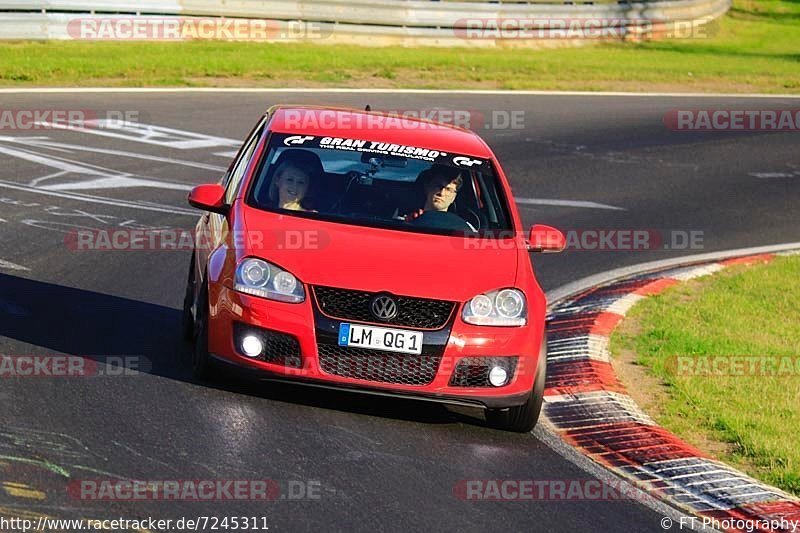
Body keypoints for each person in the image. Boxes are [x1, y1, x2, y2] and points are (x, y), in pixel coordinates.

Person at [407, 165, 476, 232]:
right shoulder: (405, 222)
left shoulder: (466, 229)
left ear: (454, 197)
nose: (442, 193)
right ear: (427, 187)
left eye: (449, 189)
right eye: (438, 186)